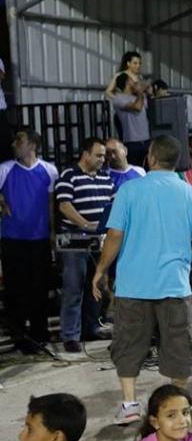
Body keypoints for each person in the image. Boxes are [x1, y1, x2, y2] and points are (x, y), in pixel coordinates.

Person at [91, 135, 192, 424]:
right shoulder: (190, 193)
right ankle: (173, 404)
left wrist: (100, 270)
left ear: (152, 157)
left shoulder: (130, 190)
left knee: (128, 343)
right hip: (174, 284)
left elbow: (115, 235)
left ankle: (130, 404)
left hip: (133, 285)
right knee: (180, 344)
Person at [0, 130, 59, 354]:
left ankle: (39, 334)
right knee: (15, 290)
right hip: (12, 238)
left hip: (39, 238)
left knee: (40, 289)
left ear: (33, 144)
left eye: (20, 140)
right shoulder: (5, 169)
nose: (15, 144)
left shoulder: (49, 170)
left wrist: (52, 233)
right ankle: (19, 336)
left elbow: (52, 204)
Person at [55, 137, 114, 352]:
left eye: (103, 156)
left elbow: (114, 204)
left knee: (96, 287)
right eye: (98, 155)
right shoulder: (68, 175)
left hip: (99, 241)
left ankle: (91, 327)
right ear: (85, 154)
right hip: (74, 240)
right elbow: (64, 206)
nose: (102, 159)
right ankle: (70, 335)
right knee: (73, 287)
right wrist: (86, 224)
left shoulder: (106, 178)